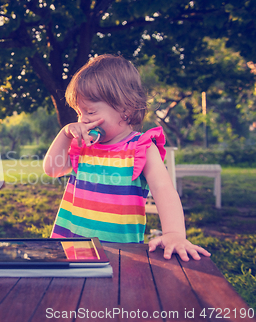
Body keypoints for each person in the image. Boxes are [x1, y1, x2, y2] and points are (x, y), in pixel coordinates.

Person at [43, 54, 210, 262]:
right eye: (79, 112)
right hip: (71, 245)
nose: (83, 120)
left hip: (120, 252)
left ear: (126, 109)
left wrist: (174, 233)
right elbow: (52, 169)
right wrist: (65, 134)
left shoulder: (141, 147)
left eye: (91, 112)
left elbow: (163, 189)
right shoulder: (83, 145)